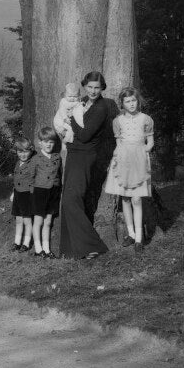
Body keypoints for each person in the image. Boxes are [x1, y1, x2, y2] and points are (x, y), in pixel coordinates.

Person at [59, 71, 113, 260]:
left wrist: (69, 119)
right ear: (84, 86)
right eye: (89, 87)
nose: (93, 91)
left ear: (102, 88)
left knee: (71, 199)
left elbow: (84, 135)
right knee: (67, 198)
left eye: (97, 87)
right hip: (73, 154)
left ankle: (92, 245)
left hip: (85, 156)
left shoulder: (101, 108)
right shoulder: (80, 101)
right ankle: (70, 249)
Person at [103, 86, 154, 252]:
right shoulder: (117, 121)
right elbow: (118, 144)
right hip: (123, 161)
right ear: (122, 104)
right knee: (124, 198)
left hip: (139, 161)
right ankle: (130, 234)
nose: (131, 104)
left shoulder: (146, 119)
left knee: (137, 199)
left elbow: (150, 143)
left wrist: (141, 153)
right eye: (127, 101)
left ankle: (139, 238)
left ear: (138, 101)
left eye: (133, 100)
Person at [30, 126, 63, 258]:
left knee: (48, 221)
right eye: (45, 142)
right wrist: (32, 193)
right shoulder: (35, 159)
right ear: (40, 143)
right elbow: (31, 177)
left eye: (51, 142)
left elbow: (60, 174)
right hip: (39, 192)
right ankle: (38, 249)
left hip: (53, 192)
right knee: (38, 221)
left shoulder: (57, 157)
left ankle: (47, 248)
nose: (49, 144)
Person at [10, 137, 35, 252]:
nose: (23, 155)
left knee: (27, 221)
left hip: (27, 195)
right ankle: (17, 242)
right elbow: (16, 179)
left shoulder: (32, 164)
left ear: (30, 150)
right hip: (17, 194)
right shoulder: (17, 163)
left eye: (26, 151)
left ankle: (26, 243)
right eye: (20, 152)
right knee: (19, 220)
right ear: (16, 152)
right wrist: (13, 192)